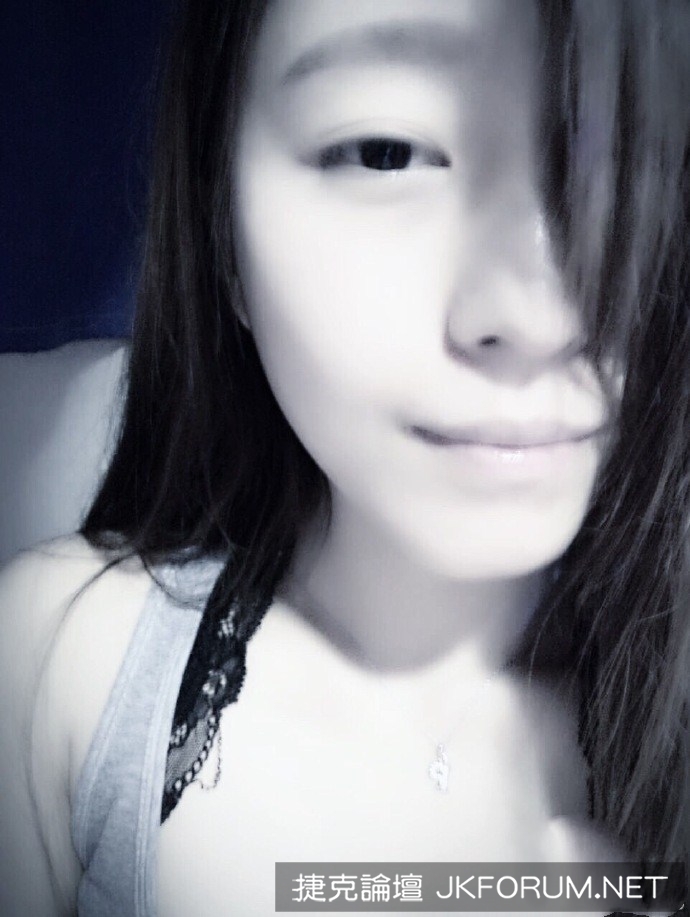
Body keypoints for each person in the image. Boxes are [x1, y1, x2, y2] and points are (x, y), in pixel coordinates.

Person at [1, 0, 688, 915]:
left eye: (633, 154)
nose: (538, 315)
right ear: (221, 231)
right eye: (384, 152)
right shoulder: (60, 663)